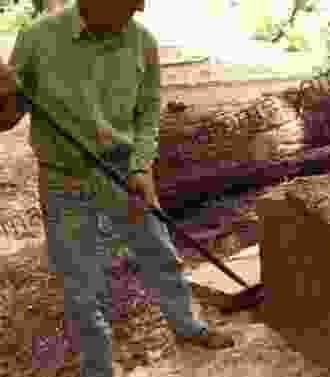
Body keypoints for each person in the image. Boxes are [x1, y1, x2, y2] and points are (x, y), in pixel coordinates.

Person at [0, 1, 235, 376]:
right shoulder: (38, 38)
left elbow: (148, 111)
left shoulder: (142, 42)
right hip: (65, 179)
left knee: (161, 254)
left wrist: (142, 166)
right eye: (127, 5)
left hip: (124, 174)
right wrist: (5, 94)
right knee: (82, 287)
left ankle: (188, 326)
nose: (134, 13)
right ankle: (99, 368)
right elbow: (5, 120)